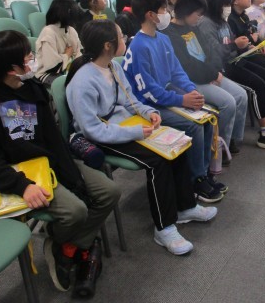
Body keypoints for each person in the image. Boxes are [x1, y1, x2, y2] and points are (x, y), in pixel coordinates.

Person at [0, 30, 121, 295]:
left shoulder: (34, 89)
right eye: (27, 57)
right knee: (75, 211)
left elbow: (54, 138)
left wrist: (70, 172)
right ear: (12, 69)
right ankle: (72, 242)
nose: (33, 60)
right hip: (24, 174)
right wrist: (23, 186)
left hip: (52, 162)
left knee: (110, 191)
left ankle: (63, 245)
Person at [66, 19, 217, 257]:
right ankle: (164, 228)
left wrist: (149, 112)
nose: (125, 39)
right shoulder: (83, 81)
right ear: (107, 45)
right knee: (158, 161)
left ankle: (185, 206)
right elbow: (92, 130)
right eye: (120, 36)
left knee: (178, 143)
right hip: (102, 137)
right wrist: (136, 131)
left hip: (126, 126)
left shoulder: (113, 67)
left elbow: (131, 101)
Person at [123, 0, 223, 203]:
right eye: (163, 9)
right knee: (193, 126)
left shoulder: (162, 38)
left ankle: (203, 172)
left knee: (207, 117)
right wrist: (182, 99)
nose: (167, 13)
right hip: (149, 107)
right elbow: (149, 92)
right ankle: (195, 181)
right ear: (151, 15)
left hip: (167, 96)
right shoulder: (139, 46)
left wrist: (191, 90)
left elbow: (177, 71)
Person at [198, 0, 265, 151]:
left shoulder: (222, 20)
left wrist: (247, 45)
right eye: (226, 4)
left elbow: (231, 41)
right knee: (258, 84)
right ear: (217, 4)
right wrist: (236, 45)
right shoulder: (206, 23)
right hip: (224, 66)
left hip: (236, 59)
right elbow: (213, 51)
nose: (228, 7)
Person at [163, 0, 248, 157]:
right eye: (198, 14)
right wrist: (211, 75)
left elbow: (210, 52)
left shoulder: (193, 27)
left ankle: (230, 139)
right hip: (191, 81)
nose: (200, 18)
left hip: (209, 74)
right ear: (186, 12)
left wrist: (214, 72)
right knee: (228, 103)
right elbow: (187, 66)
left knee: (241, 95)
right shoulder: (170, 34)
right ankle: (216, 147)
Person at [35, 0, 82, 88]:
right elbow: (52, 66)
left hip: (68, 70)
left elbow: (78, 54)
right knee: (73, 84)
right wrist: (67, 55)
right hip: (47, 74)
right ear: (68, 12)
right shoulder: (48, 32)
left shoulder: (71, 30)